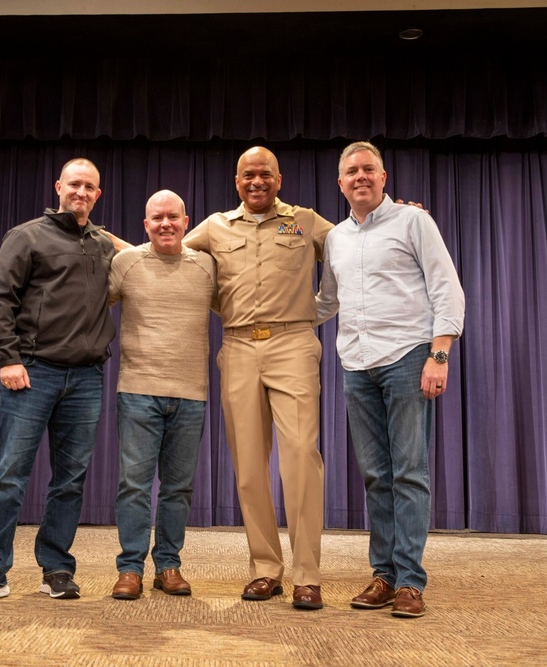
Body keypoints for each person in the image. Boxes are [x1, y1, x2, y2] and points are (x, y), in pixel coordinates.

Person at [0, 158, 116, 604]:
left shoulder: (103, 246)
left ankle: (57, 569)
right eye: (74, 184)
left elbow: (144, 260)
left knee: (70, 480)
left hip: (86, 379)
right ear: (59, 186)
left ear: (98, 195)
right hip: (32, 373)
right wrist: (8, 357)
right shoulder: (27, 236)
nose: (81, 192)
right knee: (9, 476)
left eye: (90, 187)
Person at [315, 141, 465, 618]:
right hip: (356, 365)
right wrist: (275, 316)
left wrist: (438, 355)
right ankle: (382, 575)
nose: (360, 176)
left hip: (406, 358)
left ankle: (409, 582)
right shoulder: (335, 238)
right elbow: (326, 301)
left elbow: (447, 287)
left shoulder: (413, 221)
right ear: (340, 184)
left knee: (409, 472)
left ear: (383, 176)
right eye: (351, 171)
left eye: (368, 169)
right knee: (376, 475)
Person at [183, 146, 334, 610]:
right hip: (240, 346)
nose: (256, 181)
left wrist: (401, 217)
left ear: (279, 179)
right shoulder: (214, 227)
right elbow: (173, 261)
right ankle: (265, 569)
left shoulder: (307, 221)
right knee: (249, 466)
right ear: (236, 181)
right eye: (248, 175)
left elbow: (359, 242)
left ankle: (308, 574)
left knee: (300, 459)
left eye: (264, 174)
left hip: (293, 343)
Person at [106, 190, 218, 600]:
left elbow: (243, 306)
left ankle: (168, 565)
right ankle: (130, 569)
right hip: (137, 392)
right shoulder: (126, 263)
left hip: (191, 395)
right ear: (146, 225)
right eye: (157, 218)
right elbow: (88, 302)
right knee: (133, 485)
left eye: (173, 216)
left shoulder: (206, 266)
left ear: (187, 221)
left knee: (178, 488)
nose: (166, 223)